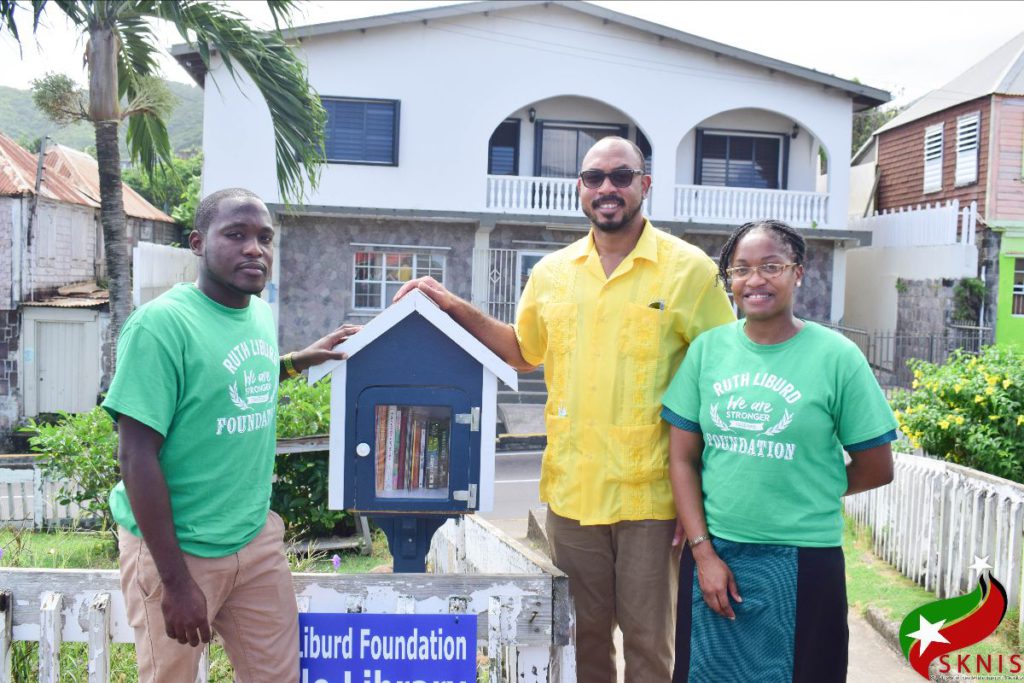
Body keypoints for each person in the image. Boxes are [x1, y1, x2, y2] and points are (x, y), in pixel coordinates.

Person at [395, 136, 735, 681]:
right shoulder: (551, 273)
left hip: (651, 500)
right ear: (579, 189)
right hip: (572, 497)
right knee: (580, 642)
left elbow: (722, 379)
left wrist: (700, 500)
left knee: (651, 644)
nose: (607, 188)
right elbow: (521, 350)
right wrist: (450, 303)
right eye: (594, 177)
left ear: (644, 185)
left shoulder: (688, 271)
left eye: (621, 176)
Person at [103, 188, 359, 682]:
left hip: (253, 541)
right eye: (236, 235)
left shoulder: (257, 313)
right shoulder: (160, 327)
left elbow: (233, 380)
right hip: (178, 551)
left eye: (265, 238)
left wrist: (294, 362)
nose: (254, 249)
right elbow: (135, 457)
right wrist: (176, 582)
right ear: (198, 243)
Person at [662, 219, 897, 683]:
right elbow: (682, 459)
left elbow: (877, 466)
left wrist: (809, 484)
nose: (755, 280)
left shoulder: (838, 357)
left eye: (772, 266)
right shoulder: (708, 352)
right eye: (741, 268)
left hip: (806, 559)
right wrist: (703, 553)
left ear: (799, 273)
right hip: (718, 557)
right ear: (728, 279)